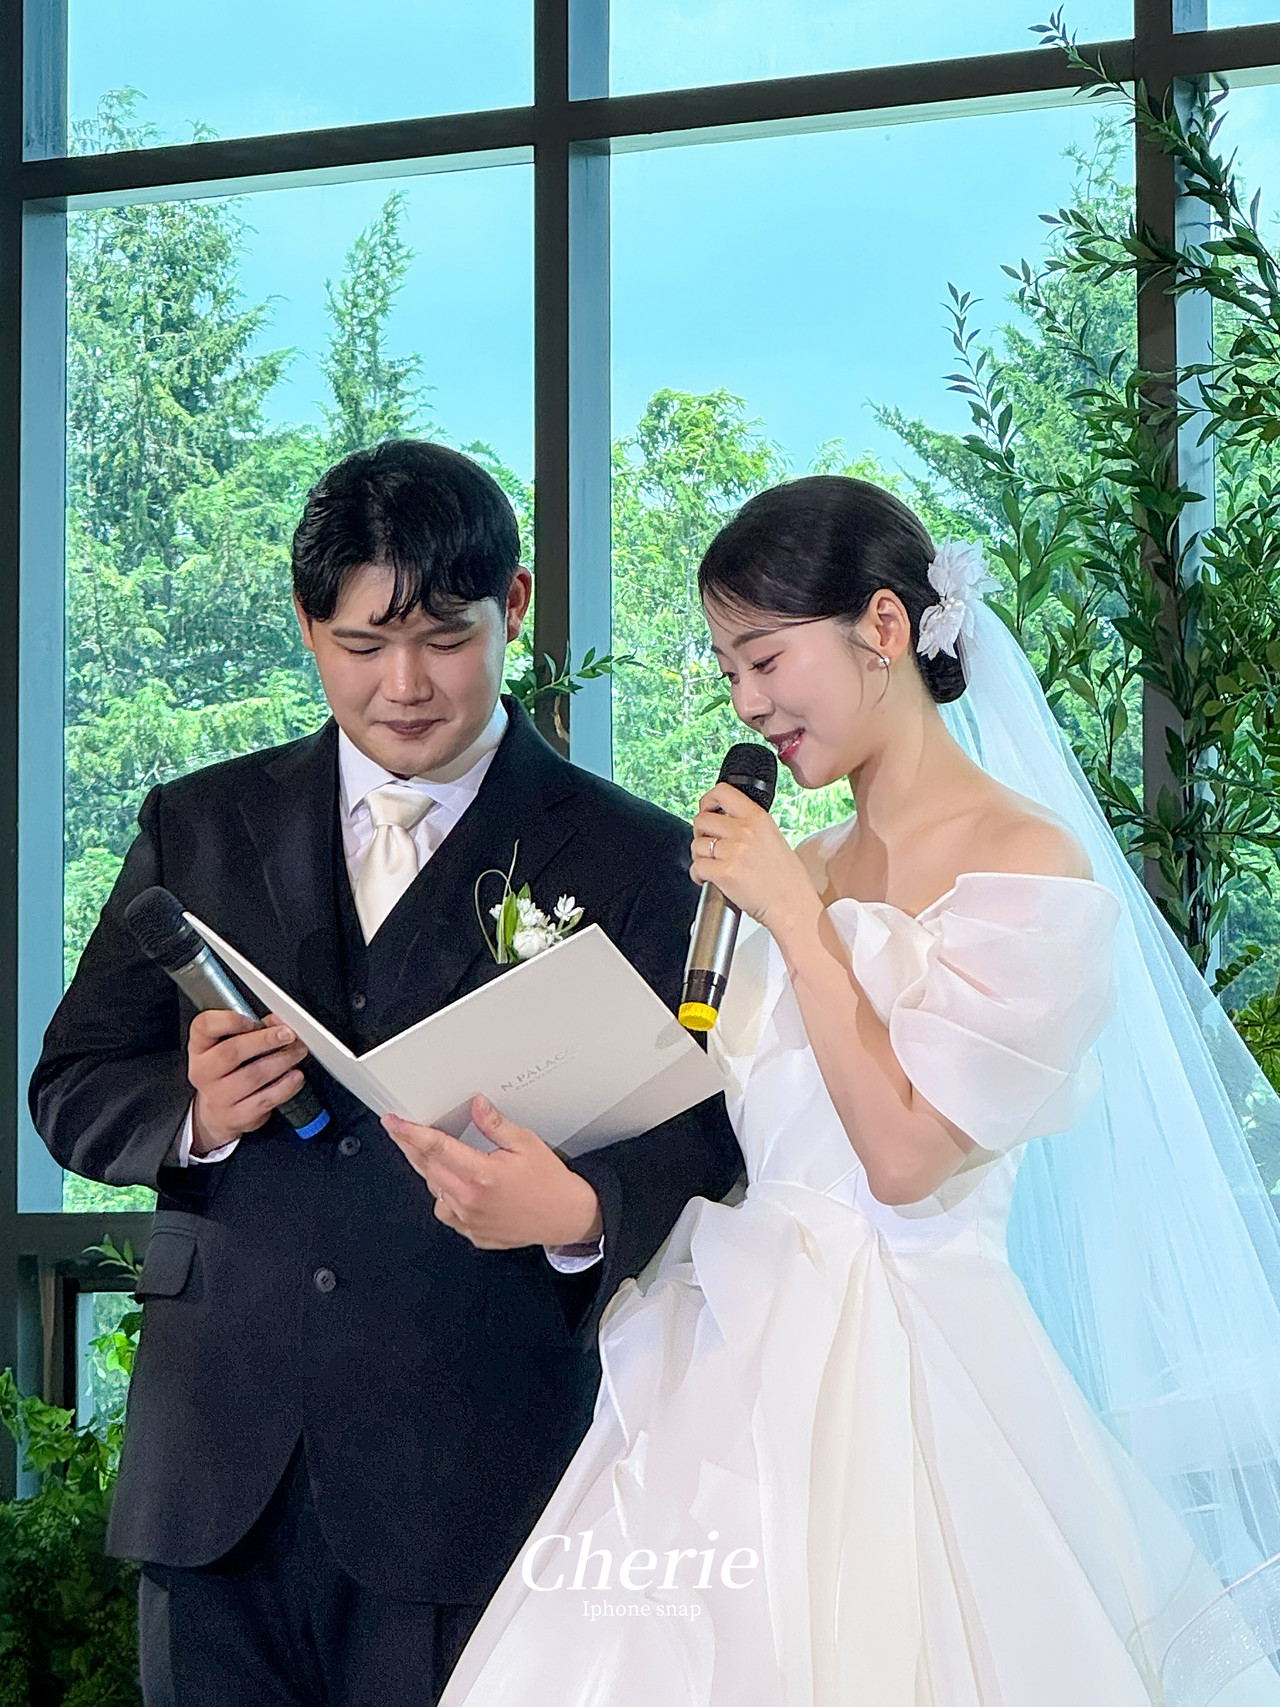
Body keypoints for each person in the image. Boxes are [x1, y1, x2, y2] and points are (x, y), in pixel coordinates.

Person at [421, 476, 1280, 1706]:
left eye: (766, 658)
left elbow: (904, 1159)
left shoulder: (1027, 866)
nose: (746, 703)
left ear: (883, 627)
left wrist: (794, 916)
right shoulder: (797, 863)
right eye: (729, 670)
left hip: (921, 1376)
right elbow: (725, 1127)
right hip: (728, 1348)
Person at [29, 440, 742, 1707]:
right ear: (307, 626)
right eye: (362, 645)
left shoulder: (635, 856)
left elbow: (702, 1135)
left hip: (476, 1478)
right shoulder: (198, 824)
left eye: (445, 639)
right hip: (215, 1478)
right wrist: (193, 1114)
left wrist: (581, 1214)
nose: (404, 686)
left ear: (514, 606)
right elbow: (72, 1085)